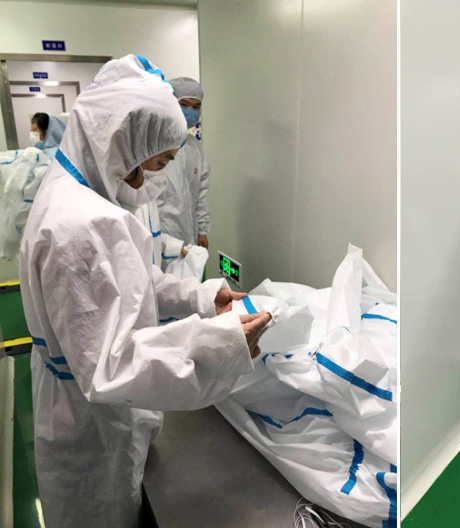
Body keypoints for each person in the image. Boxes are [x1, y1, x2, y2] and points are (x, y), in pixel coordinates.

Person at [18, 54, 273, 527]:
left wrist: (199, 297)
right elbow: (110, 367)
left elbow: (133, 281)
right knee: (101, 513)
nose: (153, 181)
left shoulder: (84, 196)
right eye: (158, 164)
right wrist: (220, 346)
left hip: (95, 408)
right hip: (92, 426)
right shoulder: (82, 224)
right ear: (121, 143)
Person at [157, 77, 211, 255]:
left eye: (196, 107)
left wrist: (202, 229)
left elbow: (201, 192)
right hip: (162, 234)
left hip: (190, 233)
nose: (191, 111)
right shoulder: (155, 145)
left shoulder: (194, 147)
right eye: (184, 104)